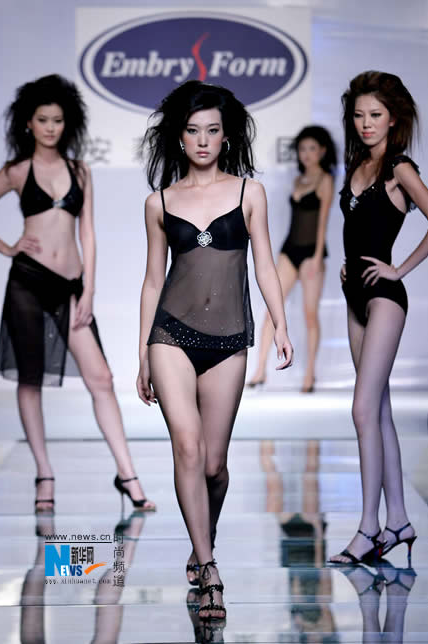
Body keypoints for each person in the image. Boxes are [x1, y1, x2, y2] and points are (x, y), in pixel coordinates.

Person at [137, 80, 293, 621]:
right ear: (179, 138)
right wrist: (142, 353)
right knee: (186, 447)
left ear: (225, 137)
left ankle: (204, 537)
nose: (202, 140)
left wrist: (280, 323)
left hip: (228, 340)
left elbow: (265, 263)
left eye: (212, 130)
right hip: (170, 336)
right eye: (192, 130)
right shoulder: (159, 202)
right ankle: (208, 569)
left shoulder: (250, 193)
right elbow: (153, 281)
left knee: (214, 466)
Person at [0, 74, 155, 513]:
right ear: (28, 123)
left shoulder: (80, 170)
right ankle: (44, 473)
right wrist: (8, 247)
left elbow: (88, 233)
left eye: (57, 120)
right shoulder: (17, 171)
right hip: (27, 281)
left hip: (72, 286)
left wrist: (90, 288)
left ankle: (127, 473)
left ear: (67, 123)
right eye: (43, 120)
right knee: (30, 379)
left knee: (101, 379)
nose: (51, 128)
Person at [329, 71, 428, 565]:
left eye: (375, 115)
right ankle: (399, 521)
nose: (366, 123)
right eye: (359, 115)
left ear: (394, 118)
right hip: (354, 296)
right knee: (379, 412)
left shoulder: (399, 168)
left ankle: (368, 529)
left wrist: (399, 268)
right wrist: (350, 262)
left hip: (385, 297)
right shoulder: (357, 164)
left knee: (363, 411)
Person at [247, 126, 336, 392]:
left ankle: (310, 374)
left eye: (312, 148)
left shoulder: (325, 180)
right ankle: (260, 370)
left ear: (322, 151)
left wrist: (317, 257)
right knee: (272, 311)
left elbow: (323, 222)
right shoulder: (298, 180)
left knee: (310, 315)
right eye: (302, 149)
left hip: (311, 252)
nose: (306, 154)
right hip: (289, 250)